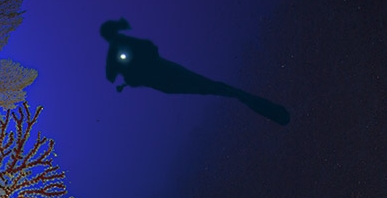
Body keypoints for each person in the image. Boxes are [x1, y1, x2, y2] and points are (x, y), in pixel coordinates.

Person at [100, 18, 290, 125]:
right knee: (208, 86)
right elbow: (146, 50)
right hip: (163, 73)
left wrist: (125, 69)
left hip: (162, 77)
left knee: (208, 86)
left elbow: (111, 76)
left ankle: (255, 103)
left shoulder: (119, 47)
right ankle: (257, 103)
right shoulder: (120, 46)